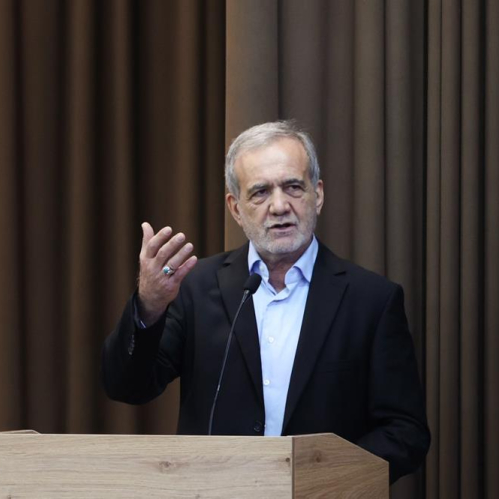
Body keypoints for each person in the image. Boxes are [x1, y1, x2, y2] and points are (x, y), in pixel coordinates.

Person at [102, 121, 430, 482]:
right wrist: (149, 306)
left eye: (293, 187)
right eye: (260, 192)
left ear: (318, 195)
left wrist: (326, 476)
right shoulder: (195, 287)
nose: (279, 206)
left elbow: (405, 432)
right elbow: (126, 386)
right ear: (236, 208)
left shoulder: (372, 300)